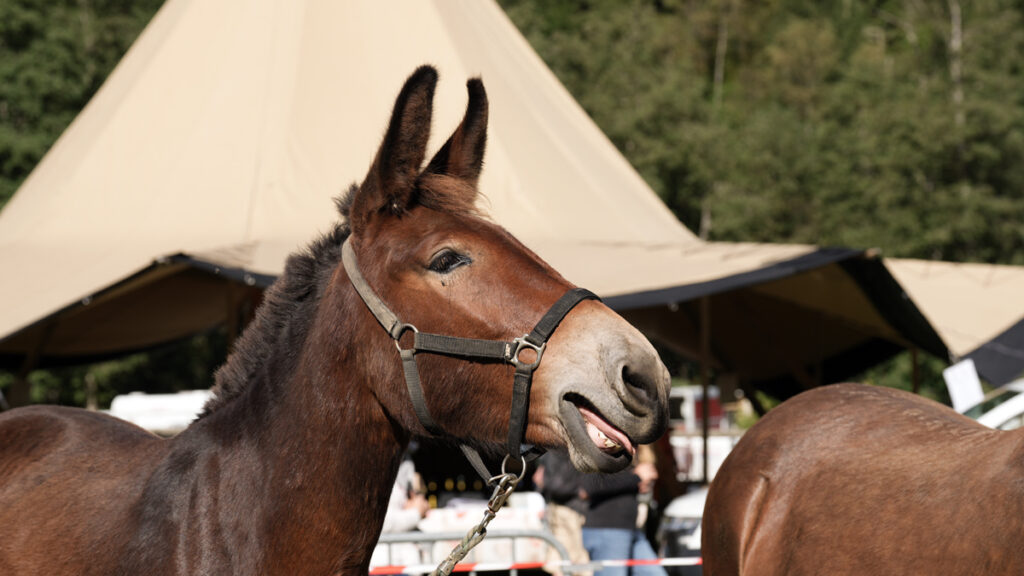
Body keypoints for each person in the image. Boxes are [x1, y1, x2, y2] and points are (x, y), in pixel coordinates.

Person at [580, 446, 667, 576]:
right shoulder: (605, 447)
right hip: (608, 530)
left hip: (629, 530)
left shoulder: (630, 452)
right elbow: (589, 486)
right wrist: (637, 477)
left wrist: (642, 483)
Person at [535, 451, 592, 576]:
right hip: (564, 509)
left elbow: (550, 482)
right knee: (566, 560)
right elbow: (546, 480)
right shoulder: (562, 450)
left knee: (566, 560)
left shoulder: (558, 450)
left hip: (567, 509)